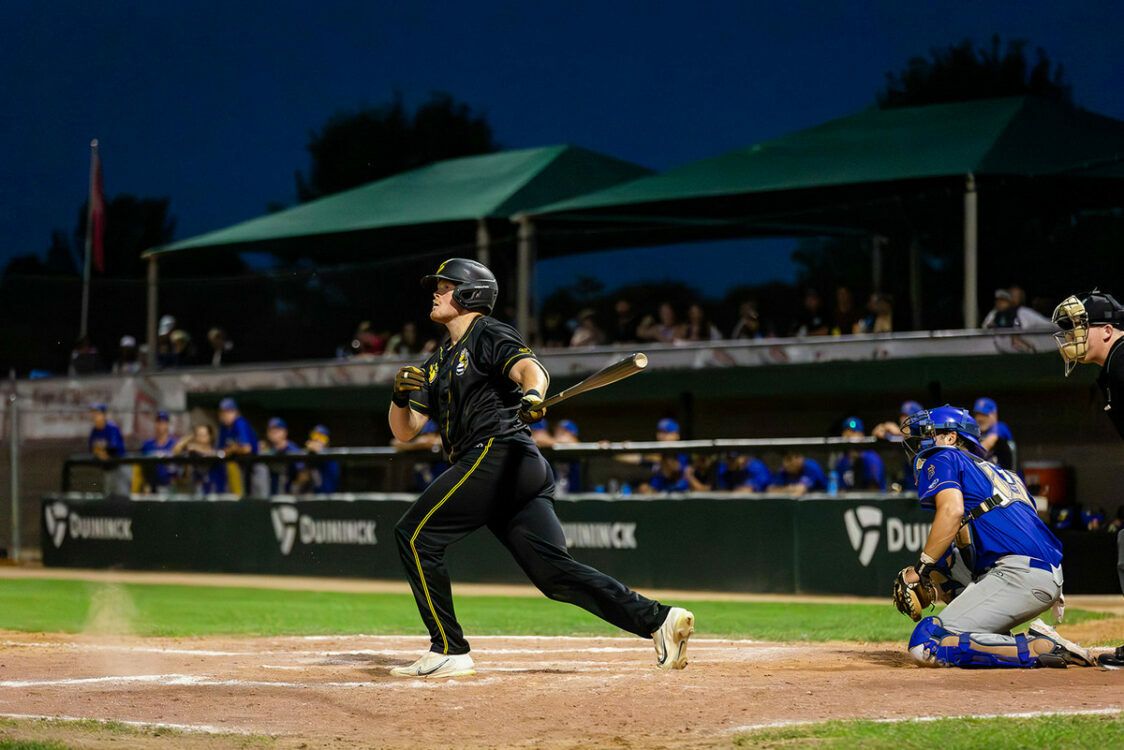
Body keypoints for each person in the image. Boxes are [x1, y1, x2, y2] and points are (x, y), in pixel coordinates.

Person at [388, 258, 694, 678]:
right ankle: (659, 620)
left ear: (469, 294)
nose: (436, 293)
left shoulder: (488, 332)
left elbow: (531, 369)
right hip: (509, 467)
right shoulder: (436, 360)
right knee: (554, 575)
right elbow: (406, 432)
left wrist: (532, 393)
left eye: (445, 286)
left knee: (415, 534)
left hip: (497, 451)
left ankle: (448, 648)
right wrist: (400, 398)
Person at [893, 405, 1095, 669]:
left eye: (927, 434)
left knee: (926, 643)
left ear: (951, 438)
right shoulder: (1005, 474)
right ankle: (993, 636)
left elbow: (952, 512)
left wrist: (920, 569)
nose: (921, 443)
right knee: (945, 565)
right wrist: (933, 569)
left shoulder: (943, 456)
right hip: (1043, 573)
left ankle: (1034, 647)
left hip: (1017, 574)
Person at [1052, 290, 1124, 669]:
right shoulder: (1111, 369)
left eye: (1082, 326)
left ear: (1108, 330)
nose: (1073, 334)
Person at [216, 397, 259, 496]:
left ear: (235, 412)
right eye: (223, 412)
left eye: (229, 412)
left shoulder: (240, 423)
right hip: (236, 464)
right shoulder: (224, 427)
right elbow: (220, 450)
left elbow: (246, 448)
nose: (225, 415)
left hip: (253, 465)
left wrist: (231, 449)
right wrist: (231, 449)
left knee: (253, 496)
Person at [833, 416, 886, 491]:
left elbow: (874, 490)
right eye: (847, 433)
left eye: (854, 432)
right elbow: (841, 489)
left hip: (869, 501)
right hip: (849, 500)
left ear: (862, 435)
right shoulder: (842, 460)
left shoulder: (871, 458)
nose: (850, 436)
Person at [87, 403, 130, 496]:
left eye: (97, 413)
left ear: (103, 415)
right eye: (93, 413)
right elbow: (92, 449)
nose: (94, 416)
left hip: (120, 467)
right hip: (108, 469)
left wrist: (101, 451)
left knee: (122, 497)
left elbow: (113, 449)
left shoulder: (111, 428)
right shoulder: (94, 431)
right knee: (108, 497)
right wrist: (100, 452)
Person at [173, 423, 226, 495]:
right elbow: (175, 452)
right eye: (198, 435)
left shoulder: (216, 451)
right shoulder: (193, 453)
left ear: (210, 436)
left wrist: (197, 448)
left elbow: (217, 454)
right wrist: (189, 438)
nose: (201, 438)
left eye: (204, 435)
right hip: (197, 492)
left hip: (215, 492)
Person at [135, 411, 178, 494]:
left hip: (169, 485)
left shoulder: (174, 444)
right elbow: (141, 468)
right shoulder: (147, 444)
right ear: (155, 424)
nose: (161, 425)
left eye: (164, 422)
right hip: (150, 486)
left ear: (168, 424)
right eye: (159, 422)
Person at [971, 397, 1016, 471]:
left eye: (984, 415)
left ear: (994, 415)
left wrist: (965, 457)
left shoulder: (1000, 427)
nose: (980, 418)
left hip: (1010, 480)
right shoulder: (977, 433)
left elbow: (988, 443)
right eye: (977, 414)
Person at [261, 417, 302, 494]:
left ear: (285, 432)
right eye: (271, 430)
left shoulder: (292, 448)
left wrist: (296, 488)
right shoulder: (266, 449)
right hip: (270, 494)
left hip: (289, 495)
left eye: (277, 430)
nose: (273, 432)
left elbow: (303, 472)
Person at [300, 425, 341, 494]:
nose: (317, 440)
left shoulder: (331, 457)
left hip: (328, 496)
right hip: (312, 495)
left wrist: (318, 451)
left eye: (321, 437)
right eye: (315, 436)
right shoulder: (309, 455)